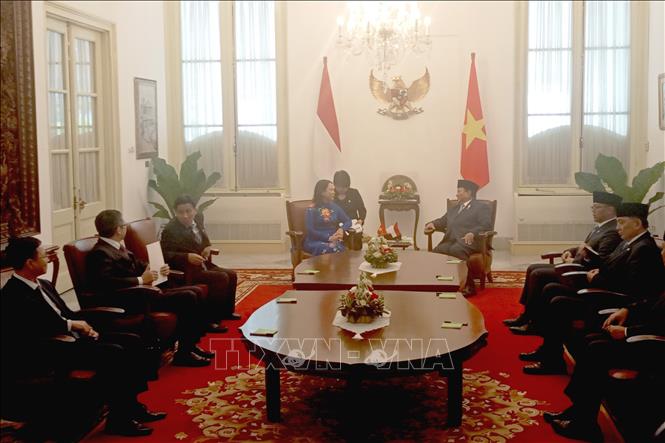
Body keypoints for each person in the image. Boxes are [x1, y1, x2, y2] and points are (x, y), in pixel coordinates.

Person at [1, 237, 166, 437]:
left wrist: (86, 326)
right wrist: (72, 325)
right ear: (30, 263)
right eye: (44, 256)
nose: (47, 260)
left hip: (73, 339)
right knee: (115, 352)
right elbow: (33, 332)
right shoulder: (12, 295)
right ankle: (119, 419)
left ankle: (132, 405)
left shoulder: (44, 284)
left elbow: (68, 314)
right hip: (48, 350)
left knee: (133, 341)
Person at [521, 202, 665, 375]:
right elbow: (611, 265)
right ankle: (548, 350)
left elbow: (633, 289)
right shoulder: (629, 242)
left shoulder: (643, 248)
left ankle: (552, 360)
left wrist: (597, 278)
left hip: (613, 300)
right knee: (551, 289)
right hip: (606, 291)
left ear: (636, 223)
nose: (617, 228)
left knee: (559, 301)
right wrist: (595, 266)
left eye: (621, 222)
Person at [87, 209, 213, 367]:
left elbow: (139, 264)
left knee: (196, 291)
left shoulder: (115, 246)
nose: (125, 228)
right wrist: (140, 280)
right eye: (124, 225)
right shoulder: (100, 253)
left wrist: (157, 267)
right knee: (189, 296)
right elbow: (106, 283)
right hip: (129, 300)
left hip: (142, 292)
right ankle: (184, 353)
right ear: (119, 229)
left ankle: (189, 346)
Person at [545, 295, 665, 442]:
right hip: (646, 338)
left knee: (597, 350)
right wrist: (627, 310)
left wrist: (627, 331)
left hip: (656, 350)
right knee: (591, 340)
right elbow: (653, 303)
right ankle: (579, 411)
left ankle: (585, 425)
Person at [505, 191, 623, 333]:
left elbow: (600, 260)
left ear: (611, 209)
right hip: (577, 265)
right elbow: (586, 247)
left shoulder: (612, 231)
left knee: (538, 274)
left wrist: (574, 260)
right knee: (532, 268)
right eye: (592, 207)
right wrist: (570, 251)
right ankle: (526, 315)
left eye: (597, 207)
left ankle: (533, 321)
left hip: (582, 273)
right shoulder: (601, 227)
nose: (593, 210)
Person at [161, 195, 240, 327]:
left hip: (202, 264)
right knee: (220, 277)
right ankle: (211, 320)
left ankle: (226, 312)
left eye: (188, 211)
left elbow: (204, 239)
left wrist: (207, 247)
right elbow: (165, 254)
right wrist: (186, 257)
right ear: (175, 212)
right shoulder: (170, 230)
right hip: (186, 270)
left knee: (232, 274)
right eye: (180, 212)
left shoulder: (198, 219)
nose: (185, 215)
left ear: (195, 210)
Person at [424, 179, 492, 295]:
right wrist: (433, 223)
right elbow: (443, 221)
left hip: (471, 241)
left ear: (469, 192)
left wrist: (473, 233)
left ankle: (469, 286)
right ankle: (443, 283)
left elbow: (486, 225)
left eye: (459, 191)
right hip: (452, 240)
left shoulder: (480, 207)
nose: (457, 194)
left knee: (456, 250)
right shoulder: (455, 208)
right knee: (438, 251)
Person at [304, 179, 353, 256]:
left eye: (333, 190)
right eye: (331, 190)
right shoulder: (312, 209)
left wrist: (341, 229)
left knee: (341, 249)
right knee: (332, 248)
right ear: (322, 192)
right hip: (315, 241)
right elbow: (310, 230)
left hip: (333, 240)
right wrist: (328, 238)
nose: (334, 192)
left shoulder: (335, 207)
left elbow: (348, 221)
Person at [333, 170, 366, 250]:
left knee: (356, 248)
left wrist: (361, 220)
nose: (342, 189)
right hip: (337, 227)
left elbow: (362, 209)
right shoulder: (332, 195)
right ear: (335, 185)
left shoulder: (354, 193)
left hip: (353, 226)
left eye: (345, 187)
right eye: (339, 187)